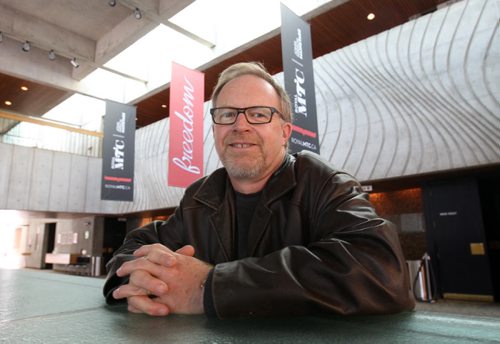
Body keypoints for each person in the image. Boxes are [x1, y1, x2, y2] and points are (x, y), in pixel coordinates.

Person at [103, 62, 415, 318]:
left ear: (284, 132)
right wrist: (141, 278)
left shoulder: (324, 183)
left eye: (258, 113)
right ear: (215, 130)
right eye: (227, 114)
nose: (241, 125)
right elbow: (134, 248)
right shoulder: (200, 198)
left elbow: (381, 271)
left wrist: (208, 287)